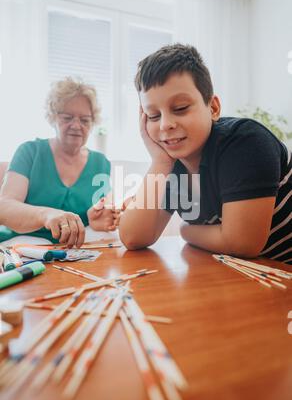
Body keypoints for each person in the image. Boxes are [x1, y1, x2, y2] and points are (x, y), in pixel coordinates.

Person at [119, 44, 292, 264]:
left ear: (213, 108)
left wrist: (185, 231)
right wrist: (160, 163)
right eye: (153, 116)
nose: (165, 124)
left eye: (180, 108)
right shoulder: (171, 166)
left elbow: (242, 243)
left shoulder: (245, 142)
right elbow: (133, 237)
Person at [0, 77, 119, 247]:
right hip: (24, 247)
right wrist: (45, 215)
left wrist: (100, 220)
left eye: (85, 120)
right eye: (67, 117)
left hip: (76, 250)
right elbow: (4, 207)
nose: (76, 125)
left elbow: (103, 210)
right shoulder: (29, 152)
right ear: (53, 117)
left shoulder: (101, 163)